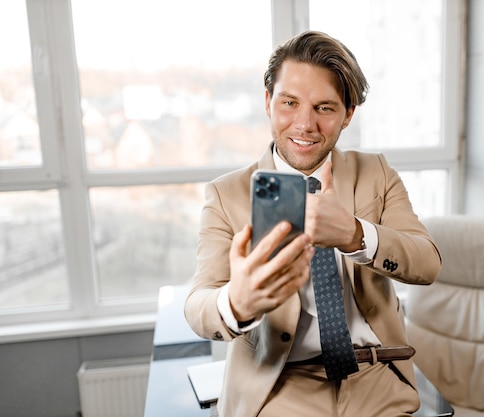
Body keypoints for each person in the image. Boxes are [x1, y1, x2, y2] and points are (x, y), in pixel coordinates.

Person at [185, 30, 442, 417]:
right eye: (290, 103)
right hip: (279, 388)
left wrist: (355, 234)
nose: (305, 125)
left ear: (347, 114)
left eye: (324, 108)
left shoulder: (376, 173)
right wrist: (237, 303)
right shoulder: (228, 194)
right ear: (269, 101)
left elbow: (427, 263)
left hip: (376, 378)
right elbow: (197, 305)